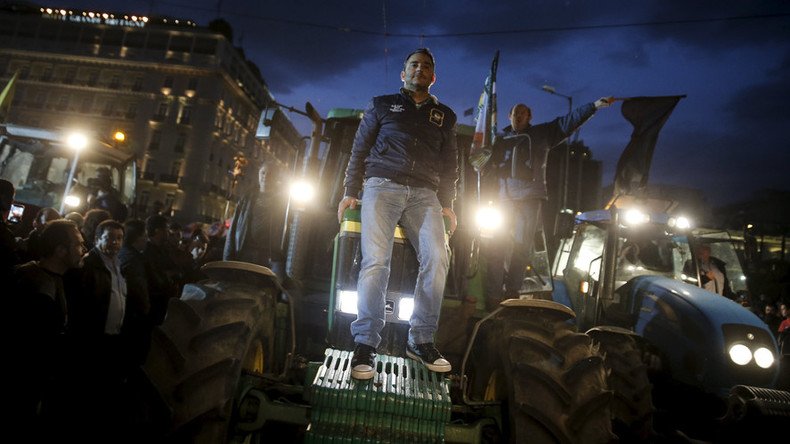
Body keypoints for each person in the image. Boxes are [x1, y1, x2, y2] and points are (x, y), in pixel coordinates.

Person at [337, 48, 458, 380]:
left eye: (426, 66)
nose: (420, 69)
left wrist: (448, 203)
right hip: (382, 185)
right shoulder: (381, 105)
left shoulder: (445, 116)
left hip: (425, 195)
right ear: (403, 73)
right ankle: (365, 344)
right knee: (376, 261)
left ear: (433, 77)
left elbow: (450, 166)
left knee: (437, 256)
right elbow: (359, 150)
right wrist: (350, 191)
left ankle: (420, 340)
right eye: (414, 64)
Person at [482, 97, 613, 303]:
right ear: (509, 116)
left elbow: (569, 121)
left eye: (522, 113)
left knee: (521, 246)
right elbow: (485, 164)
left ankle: (512, 291)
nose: (518, 117)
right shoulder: (499, 139)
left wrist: (593, 106)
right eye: (515, 113)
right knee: (496, 245)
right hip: (503, 200)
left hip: (529, 199)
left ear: (529, 116)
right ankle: (492, 294)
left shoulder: (542, 134)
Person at [8, 220, 85, 435]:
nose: (83, 250)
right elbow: (32, 349)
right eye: (78, 245)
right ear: (61, 250)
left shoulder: (41, 275)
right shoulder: (40, 289)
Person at [223, 160, 284, 278]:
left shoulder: (283, 203)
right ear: (258, 174)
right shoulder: (247, 199)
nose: (266, 177)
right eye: (263, 173)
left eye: (270, 174)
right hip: (244, 255)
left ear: (276, 178)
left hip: (268, 259)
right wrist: (227, 261)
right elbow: (233, 231)